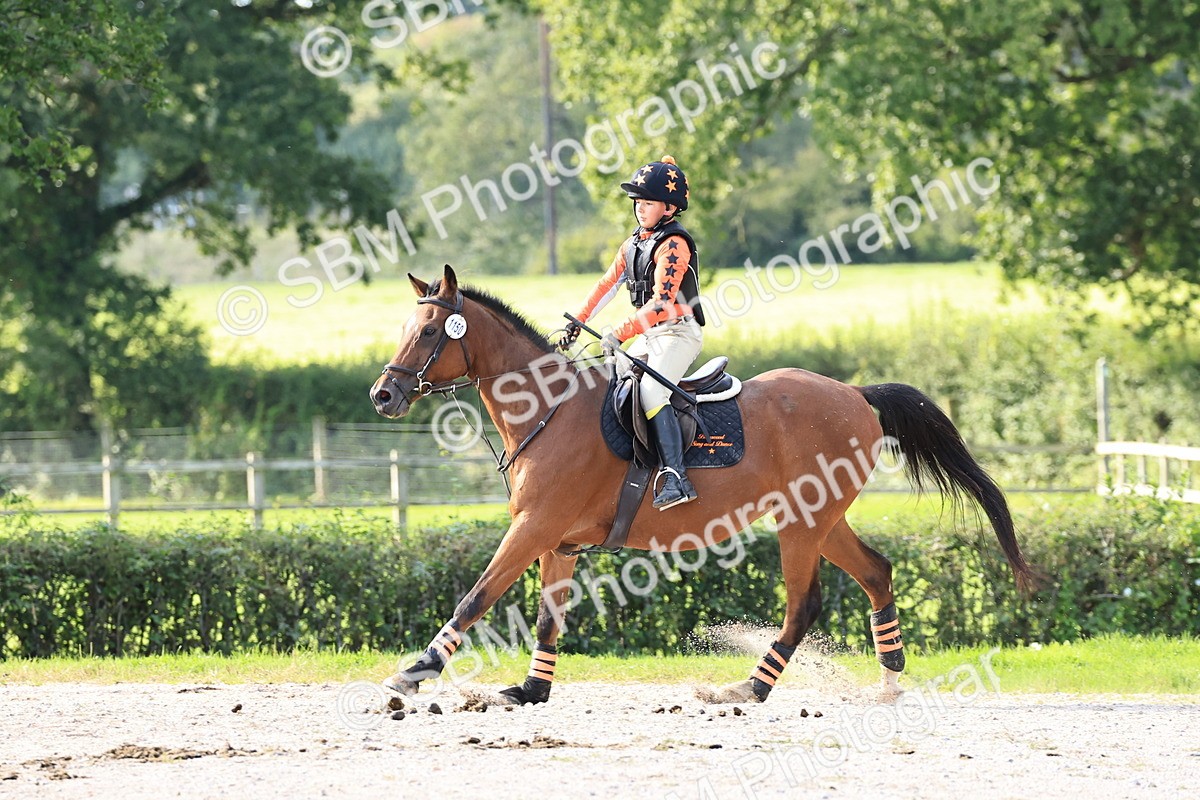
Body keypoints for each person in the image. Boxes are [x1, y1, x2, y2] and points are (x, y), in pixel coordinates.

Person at [562, 155, 706, 510]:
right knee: (611, 384)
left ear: (670, 207)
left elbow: (661, 304)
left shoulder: (674, 245)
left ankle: (676, 475)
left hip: (678, 332)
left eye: (649, 203)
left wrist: (621, 332)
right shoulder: (633, 244)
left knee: (653, 393)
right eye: (638, 203)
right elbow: (606, 286)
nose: (641, 209)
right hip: (651, 334)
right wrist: (576, 323)